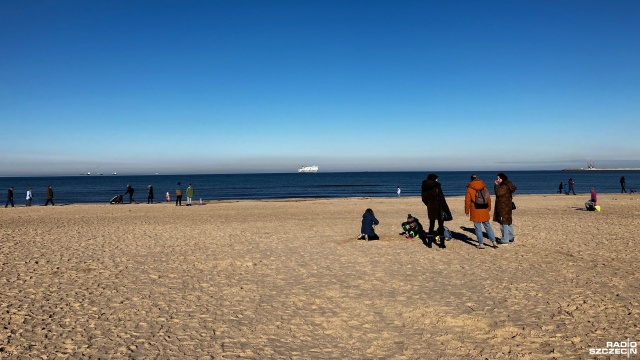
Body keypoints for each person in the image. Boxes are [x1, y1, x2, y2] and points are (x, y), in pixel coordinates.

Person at [465, 174, 497, 249]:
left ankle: (481, 243)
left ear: (471, 179)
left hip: (475, 209)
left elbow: (467, 201)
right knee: (487, 226)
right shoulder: (484, 186)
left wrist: (467, 211)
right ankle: (494, 242)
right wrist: (489, 208)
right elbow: (488, 198)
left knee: (478, 227)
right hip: (484, 208)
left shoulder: (470, 188)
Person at [421, 173, 451, 249]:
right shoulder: (437, 185)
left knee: (431, 224)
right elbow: (441, 197)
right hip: (439, 206)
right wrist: (445, 208)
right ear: (434, 179)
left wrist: (428, 204)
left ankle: (429, 243)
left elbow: (423, 198)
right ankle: (442, 243)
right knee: (440, 225)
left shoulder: (424, 186)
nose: (438, 180)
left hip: (430, 206)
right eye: (437, 178)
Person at [493, 173, 517, 244]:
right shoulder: (508, 185)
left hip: (503, 207)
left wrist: (496, 185)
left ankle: (505, 239)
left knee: (504, 223)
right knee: (508, 222)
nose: (497, 180)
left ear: (502, 179)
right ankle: (510, 237)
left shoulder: (504, 186)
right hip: (507, 206)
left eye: (499, 178)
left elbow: (498, 193)